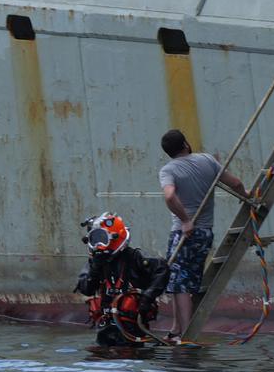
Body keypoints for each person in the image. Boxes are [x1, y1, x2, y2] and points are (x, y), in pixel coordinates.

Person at [159, 129, 247, 337]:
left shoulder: (168, 170)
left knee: (178, 282)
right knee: (184, 280)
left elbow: (170, 196)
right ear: (186, 144)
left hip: (184, 233)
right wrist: (246, 196)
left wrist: (186, 220)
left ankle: (185, 332)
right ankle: (176, 328)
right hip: (205, 234)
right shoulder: (207, 160)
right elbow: (235, 183)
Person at [73, 212, 170, 346]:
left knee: (129, 353)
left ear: (114, 238)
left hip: (133, 328)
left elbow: (162, 269)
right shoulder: (96, 262)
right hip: (105, 327)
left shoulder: (135, 257)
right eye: (95, 239)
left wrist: (148, 297)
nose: (99, 245)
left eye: (102, 238)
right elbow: (86, 289)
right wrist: (95, 267)